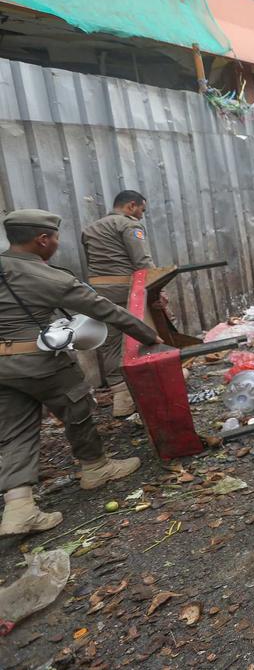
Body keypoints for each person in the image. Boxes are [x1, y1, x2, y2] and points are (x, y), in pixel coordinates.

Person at [0, 209, 162, 536]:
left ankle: (19, 507)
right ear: (42, 239)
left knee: (16, 430)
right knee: (77, 407)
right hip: (39, 362)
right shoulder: (47, 277)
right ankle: (96, 467)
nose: (57, 244)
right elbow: (103, 309)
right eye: (55, 238)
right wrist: (148, 335)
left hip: (3, 369)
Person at [80, 190, 154, 418]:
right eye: (142, 210)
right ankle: (150, 389)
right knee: (144, 335)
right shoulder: (128, 225)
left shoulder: (89, 230)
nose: (141, 216)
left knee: (110, 343)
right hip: (128, 292)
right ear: (132, 206)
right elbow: (142, 262)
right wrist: (156, 290)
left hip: (99, 295)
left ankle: (121, 398)